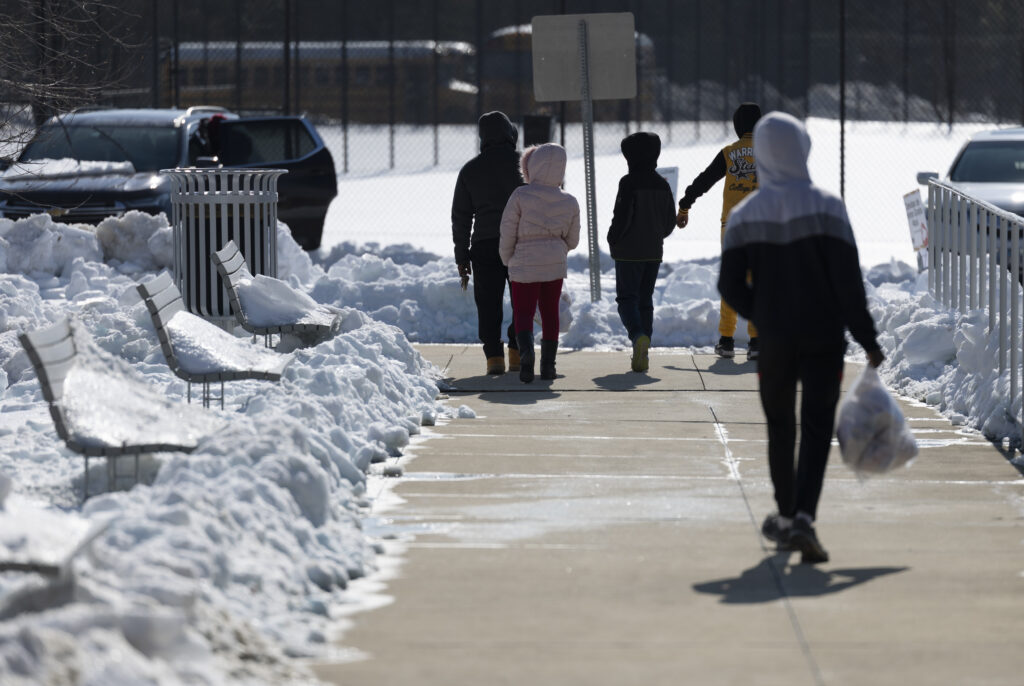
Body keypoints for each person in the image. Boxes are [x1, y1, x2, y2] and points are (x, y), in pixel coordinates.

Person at [718, 111, 885, 564]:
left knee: (780, 428)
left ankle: (787, 514)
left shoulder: (745, 214)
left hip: (774, 341)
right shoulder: (829, 207)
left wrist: (763, 315)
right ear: (802, 149)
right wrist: (868, 340)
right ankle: (805, 518)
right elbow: (848, 284)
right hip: (824, 337)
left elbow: (729, 285)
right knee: (815, 427)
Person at [677, 102, 762, 360]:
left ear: (737, 126)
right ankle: (756, 342)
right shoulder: (770, 153)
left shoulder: (729, 152)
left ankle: (726, 340)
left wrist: (685, 205)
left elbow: (705, 180)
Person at [499, 143, 580, 383]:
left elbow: (508, 230)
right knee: (550, 312)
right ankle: (548, 366)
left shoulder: (520, 195)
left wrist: (507, 257)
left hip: (523, 262)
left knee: (523, 311)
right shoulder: (570, 201)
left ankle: (526, 358)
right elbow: (573, 240)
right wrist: (558, 249)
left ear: (532, 166)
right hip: (554, 264)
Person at [452, 111, 524, 375]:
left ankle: (494, 357)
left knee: (488, 302)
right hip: (520, 243)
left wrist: (462, 256)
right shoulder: (524, 165)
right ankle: (517, 350)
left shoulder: (470, 170)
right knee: (523, 299)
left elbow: (461, 217)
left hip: (485, 244)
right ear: (509, 133)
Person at [606, 132, 677, 372]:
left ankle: (637, 336)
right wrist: (655, 235)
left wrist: (613, 238)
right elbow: (669, 222)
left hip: (628, 252)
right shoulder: (663, 184)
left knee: (627, 299)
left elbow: (622, 216)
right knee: (645, 300)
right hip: (653, 251)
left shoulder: (628, 182)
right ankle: (644, 347)